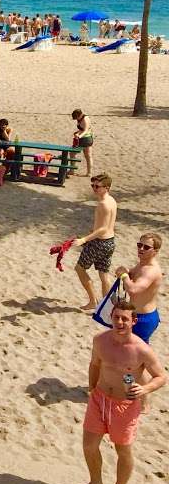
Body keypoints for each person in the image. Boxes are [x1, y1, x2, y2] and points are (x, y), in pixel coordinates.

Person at [73, 301, 167, 484]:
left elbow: (161, 376)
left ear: (133, 321)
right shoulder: (100, 340)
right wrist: (91, 388)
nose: (120, 322)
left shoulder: (141, 350)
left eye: (125, 318)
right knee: (89, 445)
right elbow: (94, 364)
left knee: (122, 450)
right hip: (99, 399)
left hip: (125, 405)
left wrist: (145, 390)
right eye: (116, 317)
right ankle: (95, 481)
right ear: (111, 318)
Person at [71, 172, 118, 310]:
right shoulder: (112, 200)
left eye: (97, 186)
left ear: (107, 187)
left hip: (99, 243)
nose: (94, 188)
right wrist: (91, 234)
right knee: (104, 275)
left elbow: (103, 228)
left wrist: (84, 239)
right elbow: (106, 226)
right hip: (109, 242)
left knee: (80, 269)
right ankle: (108, 307)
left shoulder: (103, 204)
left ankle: (93, 301)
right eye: (93, 185)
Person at [114, 233, 163, 345]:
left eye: (146, 247)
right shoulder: (142, 263)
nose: (141, 248)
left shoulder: (151, 270)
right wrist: (125, 271)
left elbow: (133, 290)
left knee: (136, 352)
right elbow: (133, 273)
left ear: (155, 251)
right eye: (139, 245)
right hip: (136, 315)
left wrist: (124, 276)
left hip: (143, 318)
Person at [72, 109, 94, 176]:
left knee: (87, 156)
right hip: (85, 138)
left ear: (80, 115)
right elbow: (81, 129)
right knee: (73, 153)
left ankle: (89, 173)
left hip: (86, 139)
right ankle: (72, 170)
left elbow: (86, 130)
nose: (76, 119)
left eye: (77, 117)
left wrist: (79, 136)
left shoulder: (85, 119)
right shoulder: (80, 118)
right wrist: (77, 132)